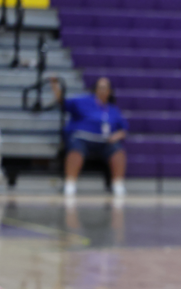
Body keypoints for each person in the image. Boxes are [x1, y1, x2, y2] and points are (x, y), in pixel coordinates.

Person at [50, 76, 128, 205]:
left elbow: (123, 129)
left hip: (104, 141)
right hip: (83, 138)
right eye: (100, 87)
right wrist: (54, 85)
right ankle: (70, 184)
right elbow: (61, 102)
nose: (103, 90)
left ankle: (118, 185)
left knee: (118, 150)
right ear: (95, 90)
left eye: (105, 88)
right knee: (76, 148)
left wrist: (116, 136)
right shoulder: (82, 101)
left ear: (109, 91)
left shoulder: (113, 110)